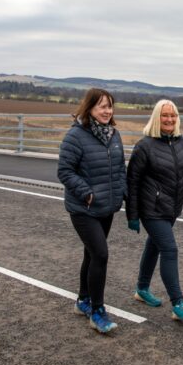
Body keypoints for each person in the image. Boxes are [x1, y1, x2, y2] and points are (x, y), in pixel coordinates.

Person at [126, 99, 183, 321]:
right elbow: (132, 182)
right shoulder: (144, 146)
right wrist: (132, 216)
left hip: (171, 208)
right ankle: (178, 303)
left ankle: (141, 289)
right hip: (151, 208)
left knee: (154, 246)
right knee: (169, 249)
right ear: (156, 118)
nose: (169, 119)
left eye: (173, 115)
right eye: (164, 115)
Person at [57, 88, 127, 334]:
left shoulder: (114, 135)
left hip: (106, 207)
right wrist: (87, 192)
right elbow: (64, 171)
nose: (107, 111)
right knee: (101, 254)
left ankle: (82, 301)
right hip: (83, 208)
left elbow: (120, 170)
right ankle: (97, 311)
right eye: (101, 106)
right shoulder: (76, 136)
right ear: (89, 109)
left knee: (91, 254)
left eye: (110, 106)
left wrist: (124, 195)